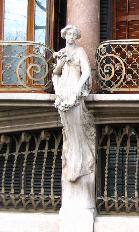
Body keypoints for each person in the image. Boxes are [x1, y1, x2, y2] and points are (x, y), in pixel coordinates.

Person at [52, 25, 95, 209]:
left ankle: (79, 163)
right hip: (63, 90)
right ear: (64, 36)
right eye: (67, 34)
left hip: (74, 91)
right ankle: (71, 161)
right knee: (68, 130)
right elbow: (56, 73)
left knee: (77, 128)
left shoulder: (80, 51)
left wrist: (77, 90)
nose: (70, 36)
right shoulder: (62, 52)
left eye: (72, 34)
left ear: (76, 36)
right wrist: (62, 61)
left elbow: (86, 72)